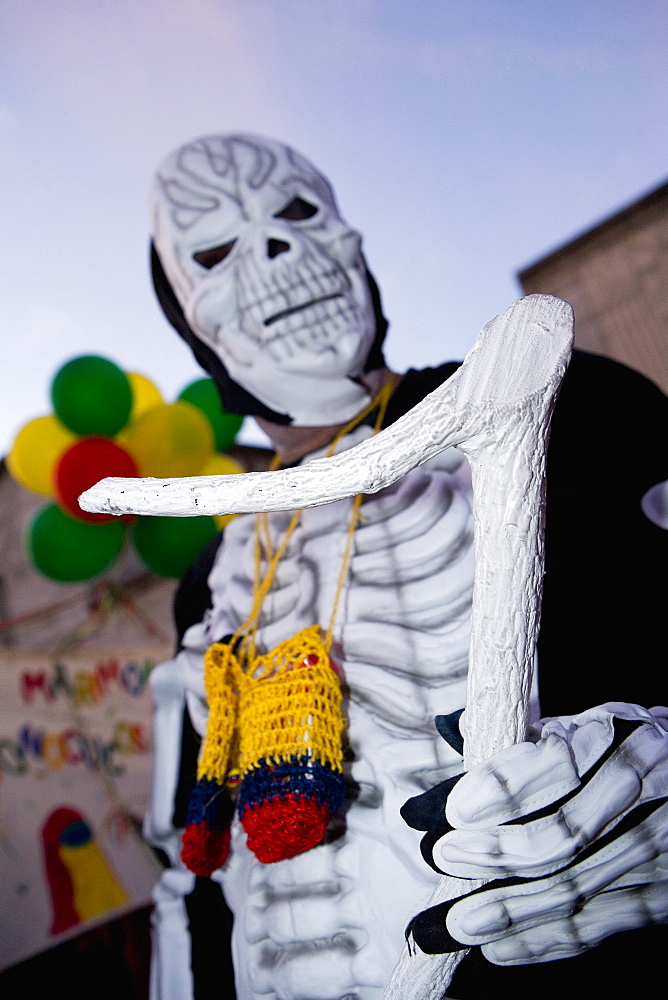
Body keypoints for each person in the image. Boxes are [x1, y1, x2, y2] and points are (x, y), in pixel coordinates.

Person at [143, 133, 667, 1000]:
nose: (275, 250)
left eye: (298, 213)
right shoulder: (212, 573)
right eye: (213, 250)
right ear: (189, 318)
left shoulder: (554, 404)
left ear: (351, 239)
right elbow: (196, 864)